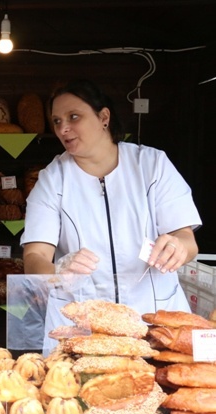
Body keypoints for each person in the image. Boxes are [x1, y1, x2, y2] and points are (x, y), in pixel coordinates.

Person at [19, 79, 202, 353]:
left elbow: (187, 240)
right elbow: (34, 258)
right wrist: (57, 273)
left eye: (74, 117)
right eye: (57, 121)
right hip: (83, 327)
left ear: (104, 117)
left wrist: (177, 247)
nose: (63, 128)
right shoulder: (52, 180)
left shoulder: (152, 165)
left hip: (153, 319)